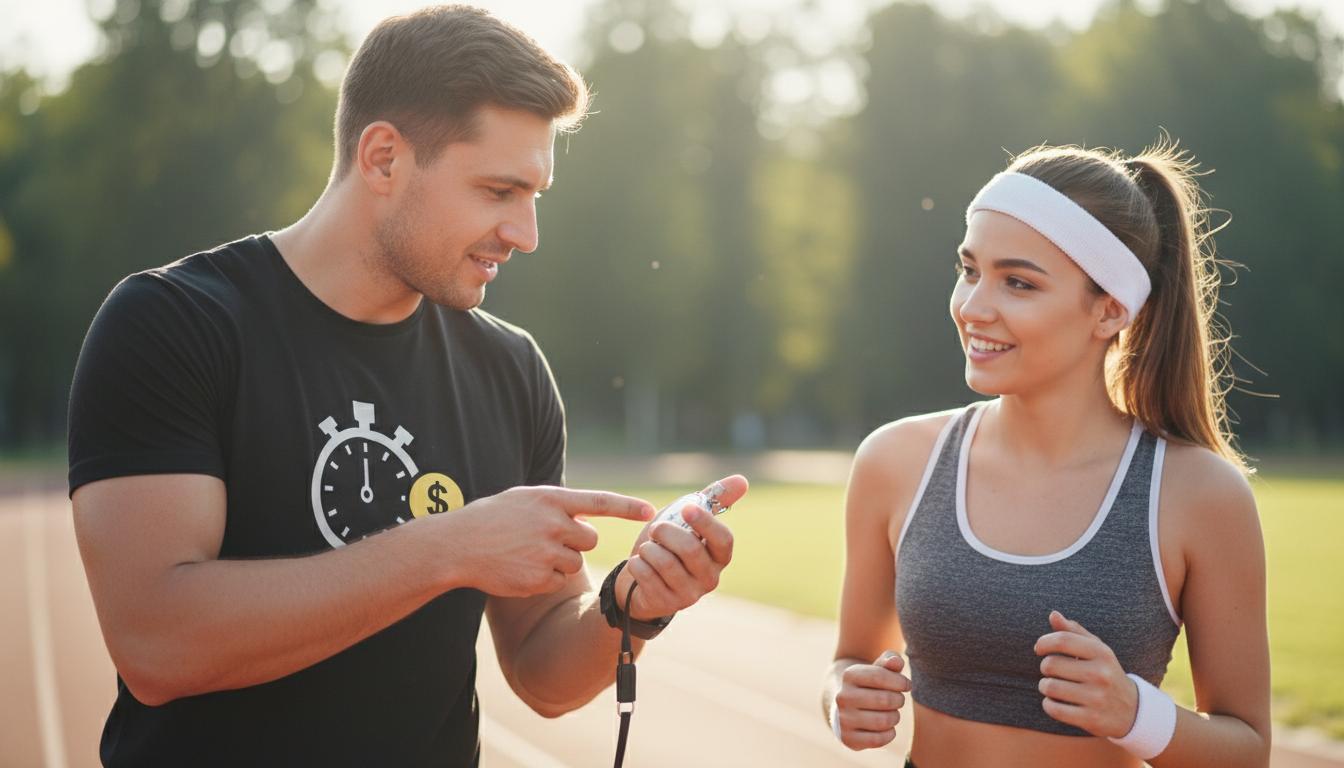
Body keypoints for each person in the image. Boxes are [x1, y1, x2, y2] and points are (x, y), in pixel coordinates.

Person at [67, 6, 745, 766]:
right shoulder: (174, 324)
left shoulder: (511, 370)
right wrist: (448, 546)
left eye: (535, 196)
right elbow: (159, 646)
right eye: (497, 191)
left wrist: (628, 608)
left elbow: (544, 675)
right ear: (384, 158)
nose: (525, 234)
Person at [822, 141, 1270, 767]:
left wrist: (1137, 715)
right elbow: (850, 660)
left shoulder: (1199, 494)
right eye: (969, 269)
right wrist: (842, 693)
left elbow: (1247, 752)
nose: (973, 307)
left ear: (1110, 311)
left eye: (1018, 282)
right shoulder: (894, 461)